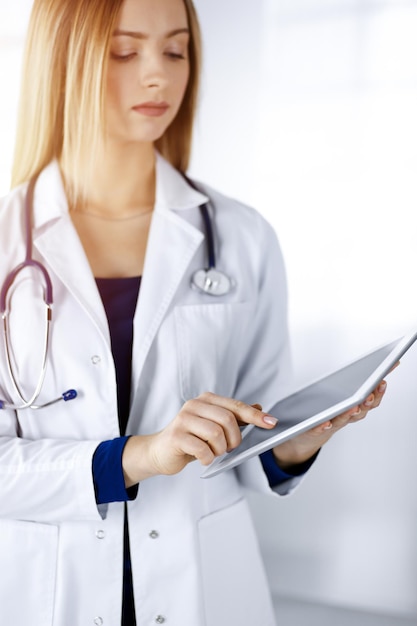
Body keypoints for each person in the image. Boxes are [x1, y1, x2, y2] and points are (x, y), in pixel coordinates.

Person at [0, 1, 387, 625]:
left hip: (205, 593)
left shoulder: (240, 236)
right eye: (125, 51)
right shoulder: (7, 242)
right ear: (62, 60)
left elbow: (258, 433)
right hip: (42, 591)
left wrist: (297, 439)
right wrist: (139, 458)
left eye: (175, 50)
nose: (158, 74)